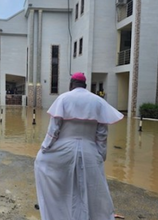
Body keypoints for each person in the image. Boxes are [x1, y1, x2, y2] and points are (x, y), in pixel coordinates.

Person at [34, 72, 123, 220]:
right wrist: (100, 155)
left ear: (71, 84)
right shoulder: (97, 101)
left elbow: (54, 130)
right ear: (85, 85)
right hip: (90, 150)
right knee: (91, 190)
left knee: (51, 172)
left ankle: (60, 214)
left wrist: (45, 148)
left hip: (63, 150)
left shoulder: (63, 98)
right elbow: (102, 134)